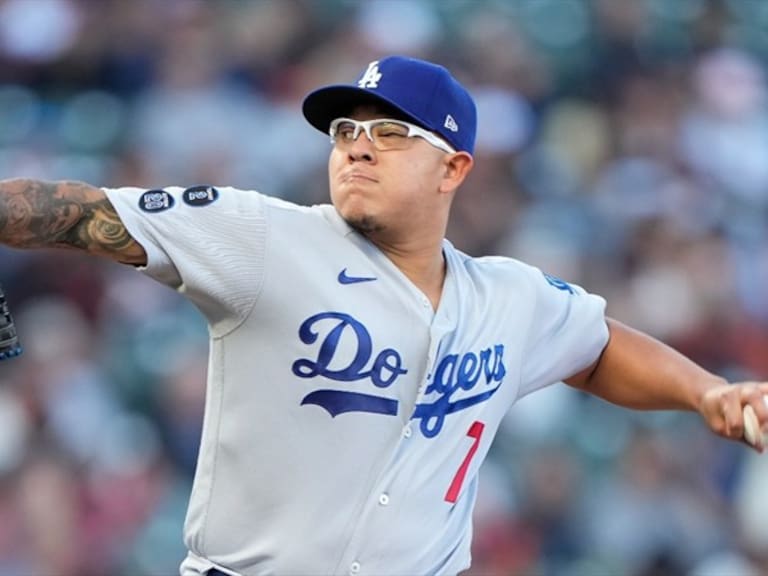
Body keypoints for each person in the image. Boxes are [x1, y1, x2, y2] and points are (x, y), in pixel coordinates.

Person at [0, 55, 766, 576]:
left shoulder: (508, 297)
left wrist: (705, 393)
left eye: (391, 134)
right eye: (346, 132)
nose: (358, 150)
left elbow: (596, 348)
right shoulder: (264, 237)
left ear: (455, 167)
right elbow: (82, 215)